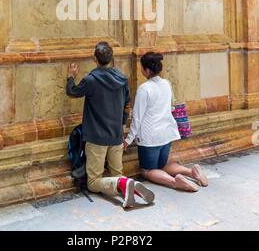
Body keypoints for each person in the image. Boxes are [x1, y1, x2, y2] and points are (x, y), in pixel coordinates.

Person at [66, 41, 155, 208]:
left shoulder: (91, 80)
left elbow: (72, 92)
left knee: (93, 182)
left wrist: (71, 76)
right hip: (116, 136)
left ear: (95, 58)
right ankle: (130, 186)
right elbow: (127, 105)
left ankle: (124, 185)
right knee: (117, 174)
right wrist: (120, 125)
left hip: (96, 138)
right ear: (111, 58)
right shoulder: (122, 79)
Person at [124, 52, 208, 192]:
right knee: (163, 166)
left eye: (142, 68)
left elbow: (137, 118)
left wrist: (128, 139)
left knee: (147, 170)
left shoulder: (144, 89)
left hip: (150, 138)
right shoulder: (166, 84)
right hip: (167, 134)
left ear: (147, 70)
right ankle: (191, 172)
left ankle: (175, 182)